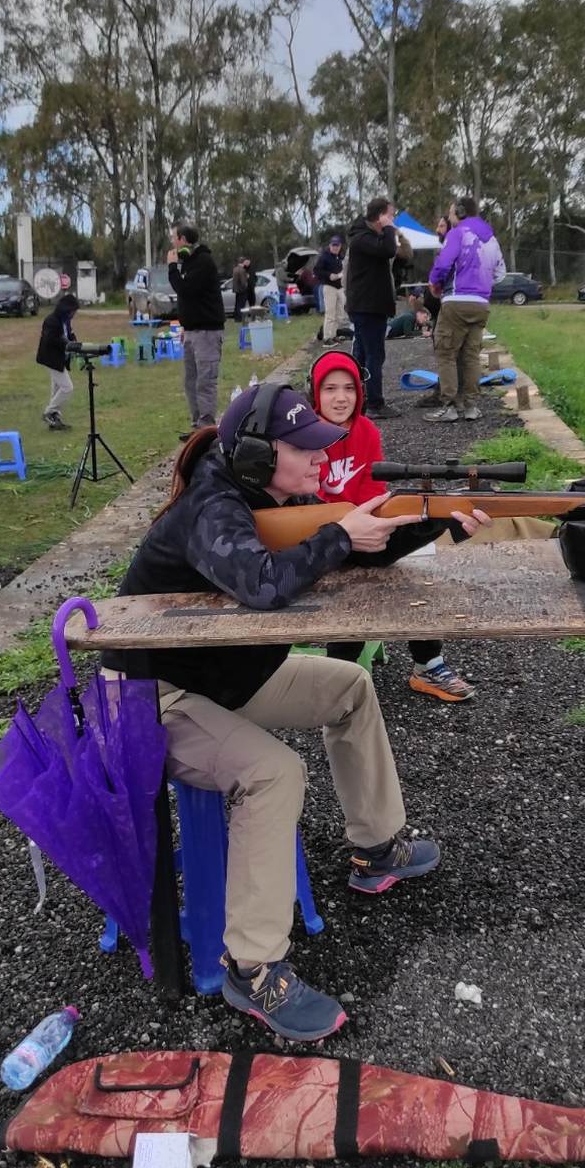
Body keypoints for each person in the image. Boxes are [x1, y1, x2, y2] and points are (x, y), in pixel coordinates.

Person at [102, 382, 489, 1040]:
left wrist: (435, 521)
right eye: (303, 448)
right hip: (152, 697)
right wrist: (337, 533)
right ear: (257, 456)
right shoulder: (212, 508)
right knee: (274, 772)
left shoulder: (274, 497)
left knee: (350, 687)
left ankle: (377, 849)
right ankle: (252, 968)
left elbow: (356, 548)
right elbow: (264, 583)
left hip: (224, 678)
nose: (321, 457)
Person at [311, 350, 475, 702]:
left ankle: (428, 664)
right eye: (329, 389)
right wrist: (349, 529)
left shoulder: (366, 430)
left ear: (360, 392)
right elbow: (305, 500)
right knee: (356, 585)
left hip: (366, 528)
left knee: (414, 566)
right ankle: (340, 678)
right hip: (322, 537)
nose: (340, 398)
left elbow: (374, 490)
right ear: (315, 392)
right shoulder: (304, 437)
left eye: (349, 388)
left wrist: (452, 518)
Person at [425, 198, 506, 424]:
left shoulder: (457, 233)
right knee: (471, 356)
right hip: (481, 303)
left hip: (456, 300)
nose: (450, 217)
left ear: (460, 213)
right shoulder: (491, 238)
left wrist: (435, 283)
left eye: (451, 213)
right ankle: (471, 406)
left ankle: (450, 406)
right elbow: (500, 273)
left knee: (446, 352)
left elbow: (443, 264)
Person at [167, 224, 226, 435]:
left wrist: (172, 267)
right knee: (190, 381)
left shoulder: (203, 262)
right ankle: (197, 424)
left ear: (183, 239)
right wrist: (186, 325)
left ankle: (206, 427)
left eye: (174, 238)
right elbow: (189, 300)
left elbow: (185, 290)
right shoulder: (190, 262)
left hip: (207, 332)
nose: (172, 242)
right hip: (192, 331)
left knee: (205, 381)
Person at [346, 196, 398, 418]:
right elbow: (389, 250)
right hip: (368, 306)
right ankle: (375, 403)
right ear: (380, 216)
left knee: (362, 354)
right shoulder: (362, 238)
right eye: (390, 215)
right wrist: (389, 229)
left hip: (369, 305)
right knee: (373, 354)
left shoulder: (366, 237)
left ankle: (360, 398)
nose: (393, 220)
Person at [36, 291, 80, 430]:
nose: (74, 314)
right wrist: (67, 344)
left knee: (56, 389)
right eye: (73, 311)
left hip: (60, 359)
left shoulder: (65, 321)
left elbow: (69, 334)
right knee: (67, 388)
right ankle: (49, 412)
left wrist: (74, 342)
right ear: (66, 309)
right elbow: (51, 339)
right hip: (51, 359)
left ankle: (54, 419)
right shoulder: (51, 320)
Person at [313, 234, 346, 343]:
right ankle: (327, 337)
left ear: (340, 246)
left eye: (337, 245)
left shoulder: (341, 257)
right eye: (333, 245)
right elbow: (316, 270)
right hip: (329, 287)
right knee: (330, 313)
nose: (335, 247)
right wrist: (329, 275)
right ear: (330, 245)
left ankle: (333, 334)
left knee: (340, 314)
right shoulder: (324, 257)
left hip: (340, 287)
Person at [230, 257, 249, 323]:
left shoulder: (235, 269)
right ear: (243, 262)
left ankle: (236, 318)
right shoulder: (242, 270)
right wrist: (247, 280)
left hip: (236, 289)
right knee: (241, 305)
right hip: (242, 290)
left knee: (237, 304)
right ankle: (240, 318)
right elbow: (243, 282)